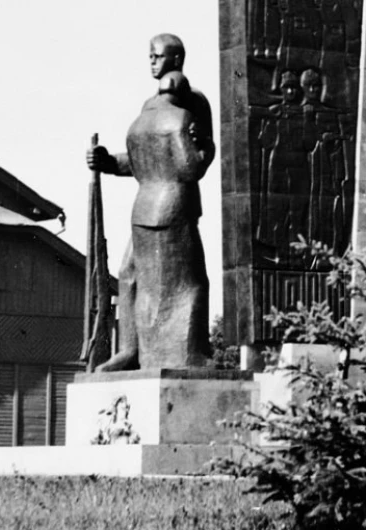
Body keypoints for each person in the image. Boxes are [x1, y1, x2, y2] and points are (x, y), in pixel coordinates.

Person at [87, 34, 215, 371]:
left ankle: (190, 351)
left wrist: (199, 146)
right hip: (155, 204)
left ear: (175, 60)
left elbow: (192, 164)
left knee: (185, 280)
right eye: (150, 57)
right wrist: (109, 162)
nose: (152, 62)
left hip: (170, 205)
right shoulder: (152, 109)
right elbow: (146, 159)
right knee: (131, 275)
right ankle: (130, 351)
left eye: (157, 56)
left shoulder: (192, 104)